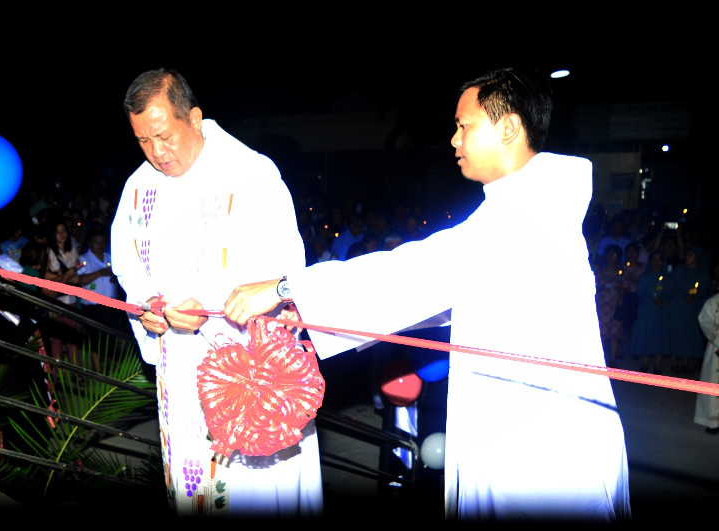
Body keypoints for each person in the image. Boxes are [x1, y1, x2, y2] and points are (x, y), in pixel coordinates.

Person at [224, 67, 631, 522]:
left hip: (542, 448)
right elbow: (456, 297)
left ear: (510, 127)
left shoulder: (521, 221)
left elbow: (413, 274)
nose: (454, 141)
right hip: (528, 433)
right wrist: (306, 309)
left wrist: (287, 287)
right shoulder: (523, 209)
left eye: (464, 126)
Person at [110, 68, 322, 519]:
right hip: (179, 372)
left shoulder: (250, 173)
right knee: (194, 487)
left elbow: (285, 270)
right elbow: (127, 267)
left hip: (247, 370)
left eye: (164, 136)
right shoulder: (138, 187)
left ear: (195, 118)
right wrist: (149, 306)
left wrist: (206, 305)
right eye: (143, 141)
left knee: (255, 488)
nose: (157, 152)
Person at [629, 249, 673, 374]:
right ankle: (645, 362)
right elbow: (639, 292)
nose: (656, 262)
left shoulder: (668, 278)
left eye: (659, 259)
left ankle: (658, 365)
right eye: (654, 259)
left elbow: (670, 292)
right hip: (646, 310)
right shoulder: (644, 276)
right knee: (645, 335)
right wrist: (651, 299)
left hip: (660, 312)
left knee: (659, 336)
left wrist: (664, 300)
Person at [694, 292, 719, 434]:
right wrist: (716, 338)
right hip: (716, 348)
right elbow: (704, 318)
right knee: (713, 383)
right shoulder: (714, 301)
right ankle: (712, 421)